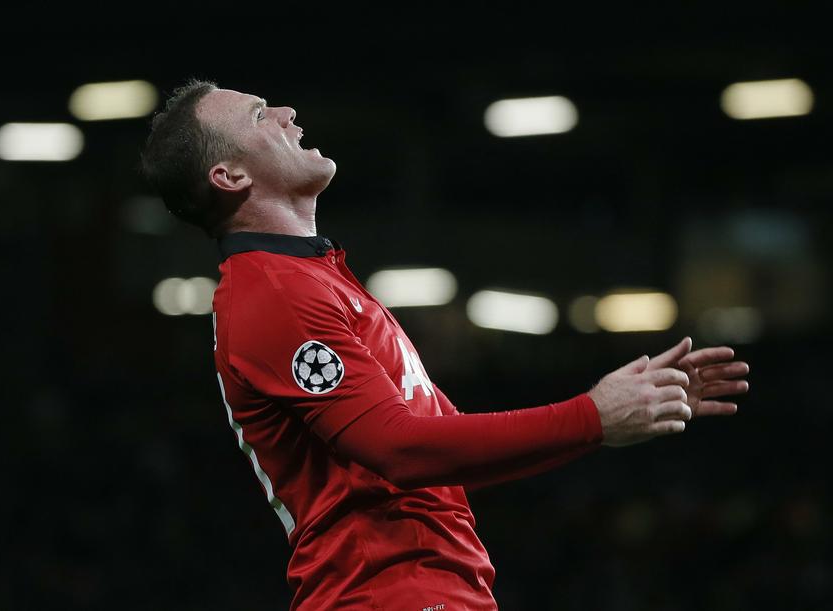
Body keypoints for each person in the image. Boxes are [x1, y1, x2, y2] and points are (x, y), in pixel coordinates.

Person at [141, 80, 750, 610]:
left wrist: (619, 408)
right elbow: (402, 451)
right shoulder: (273, 294)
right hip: (384, 594)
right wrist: (594, 416)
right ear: (229, 176)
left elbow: (446, 451)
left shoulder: (311, 277)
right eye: (259, 114)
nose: (287, 115)